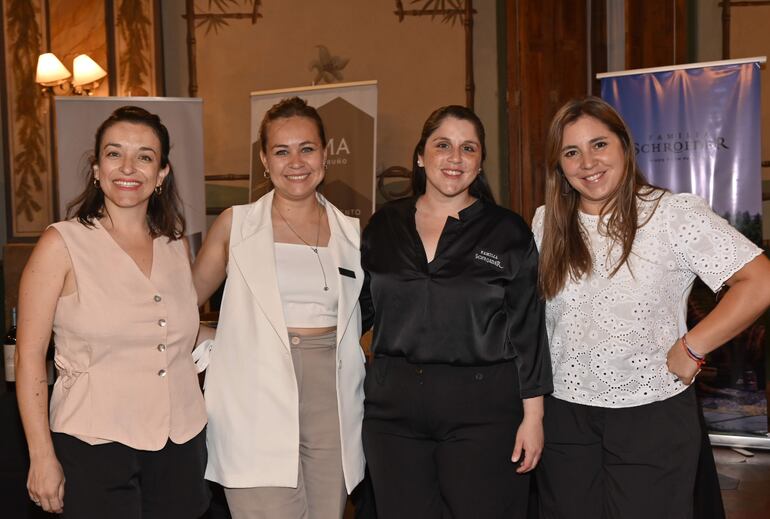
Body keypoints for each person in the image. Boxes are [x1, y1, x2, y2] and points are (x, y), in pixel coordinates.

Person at [532, 96, 770, 519]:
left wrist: (694, 346)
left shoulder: (671, 215)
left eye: (599, 144)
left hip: (650, 416)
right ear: (560, 166)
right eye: (572, 152)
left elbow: (760, 281)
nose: (588, 162)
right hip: (564, 416)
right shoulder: (545, 223)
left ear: (624, 146)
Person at [15, 106, 209, 518]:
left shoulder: (174, 245)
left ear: (161, 175)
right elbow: (30, 356)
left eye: (145, 156)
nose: (128, 167)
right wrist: (41, 456)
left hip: (180, 444)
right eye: (114, 153)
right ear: (97, 168)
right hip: (93, 445)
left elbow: (178, 336)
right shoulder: (61, 243)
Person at [360, 105, 552, 518]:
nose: (455, 158)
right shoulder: (383, 226)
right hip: (392, 410)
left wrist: (533, 416)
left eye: (468, 148)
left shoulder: (507, 231)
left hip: (484, 409)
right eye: (442, 145)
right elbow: (356, 312)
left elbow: (529, 331)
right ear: (420, 155)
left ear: (480, 162)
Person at [192, 97, 366, 519]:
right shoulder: (236, 225)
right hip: (256, 391)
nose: (296, 162)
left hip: (333, 394)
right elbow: (181, 305)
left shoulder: (352, 231)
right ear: (264, 160)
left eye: (307, 148)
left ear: (325, 154)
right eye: (281, 150)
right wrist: (216, 340)